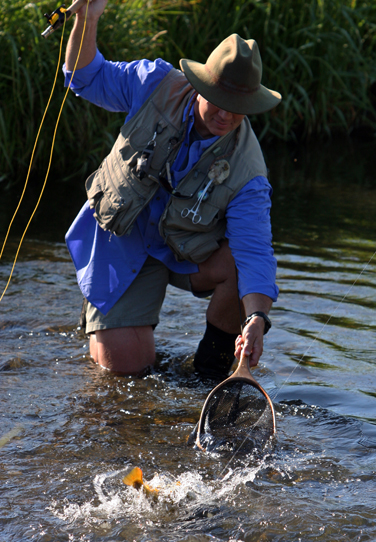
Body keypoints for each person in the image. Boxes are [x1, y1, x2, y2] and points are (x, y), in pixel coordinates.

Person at [64, 0, 282, 377]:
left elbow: (255, 251)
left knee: (239, 267)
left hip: (186, 252)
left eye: (237, 106)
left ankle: (209, 372)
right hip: (124, 240)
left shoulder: (249, 172)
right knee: (127, 371)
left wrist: (257, 319)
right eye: (217, 100)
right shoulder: (153, 84)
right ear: (199, 86)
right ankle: (110, 324)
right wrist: (87, 18)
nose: (225, 115)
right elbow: (83, 76)